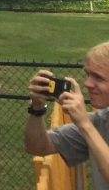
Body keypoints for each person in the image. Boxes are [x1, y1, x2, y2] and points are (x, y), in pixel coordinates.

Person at [25, 41, 109, 188]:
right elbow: (38, 146)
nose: (87, 83)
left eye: (98, 77)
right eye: (88, 74)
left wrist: (85, 125)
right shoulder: (101, 121)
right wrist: (37, 108)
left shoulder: (90, 126)